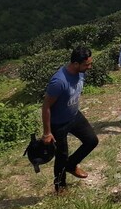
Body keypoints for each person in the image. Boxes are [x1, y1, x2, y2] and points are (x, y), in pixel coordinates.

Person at [42, 47, 99, 193]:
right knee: (61, 155)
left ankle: (71, 165)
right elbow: (46, 106)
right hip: (58, 123)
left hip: (74, 115)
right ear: (75, 64)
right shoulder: (59, 81)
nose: (89, 67)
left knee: (92, 140)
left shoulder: (80, 73)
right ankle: (60, 186)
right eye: (86, 65)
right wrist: (47, 132)